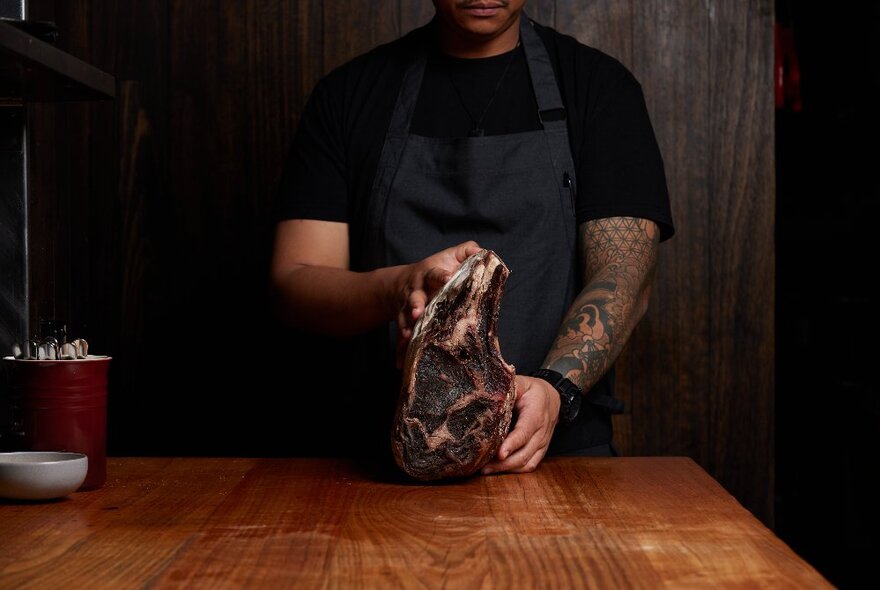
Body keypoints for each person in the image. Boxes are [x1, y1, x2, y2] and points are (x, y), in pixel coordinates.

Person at [271, 0, 674, 474]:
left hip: (557, 460)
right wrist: (403, 284)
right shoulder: (350, 95)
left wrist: (553, 390)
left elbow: (625, 272)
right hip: (377, 466)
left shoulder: (598, 88)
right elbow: (293, 285)